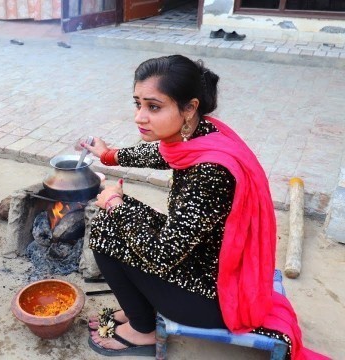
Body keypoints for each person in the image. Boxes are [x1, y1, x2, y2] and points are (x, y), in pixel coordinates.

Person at [81, 55, 327, 359]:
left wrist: (115, 202)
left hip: (214, 295)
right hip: (206, 258)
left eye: (153, 107)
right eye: (138, 104)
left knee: (109, 225)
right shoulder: (201, 133)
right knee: (112, 221)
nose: (139, 117)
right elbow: (161, 154)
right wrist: (109, 155)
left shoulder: (210, 173)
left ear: (189, 107)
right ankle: (137, 312)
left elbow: (163, 255)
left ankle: (141, 331)